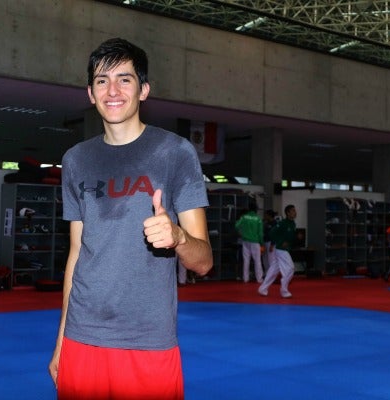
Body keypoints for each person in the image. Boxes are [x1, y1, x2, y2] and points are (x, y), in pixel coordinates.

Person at [48, 38, 214, 400]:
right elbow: (76, 254)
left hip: (147, 341)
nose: (113, 90)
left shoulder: (175, 152)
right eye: (102, 80)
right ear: (90, 93)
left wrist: (178, 237)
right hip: (82, 337)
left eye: (125, 79)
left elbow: (204, 263)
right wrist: (61, 341)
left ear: (144, 89)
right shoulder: (76, 159)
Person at [258, 204, 297, 298]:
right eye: (293, 211)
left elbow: (290, 237)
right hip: (281, 249)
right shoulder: (283, 223)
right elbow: (272, 233)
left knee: (273, 270)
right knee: (290, 268)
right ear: (287, 213)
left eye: (295, 211)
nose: (295, 213)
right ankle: (284, 290)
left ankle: (262, 289)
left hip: (285, 249)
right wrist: (280, 242)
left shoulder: (293, 223)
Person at [235, 202, 264, 283]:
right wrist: (261, 243)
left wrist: (241, 233)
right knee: (257, 260)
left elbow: (236, 226)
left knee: (246, 260)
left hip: (245, 241)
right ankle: (259, 279)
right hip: (255, 242)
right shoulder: (258, 219)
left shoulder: (244, 217)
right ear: (256, 209)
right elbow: (260, 233)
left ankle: (246, 278)